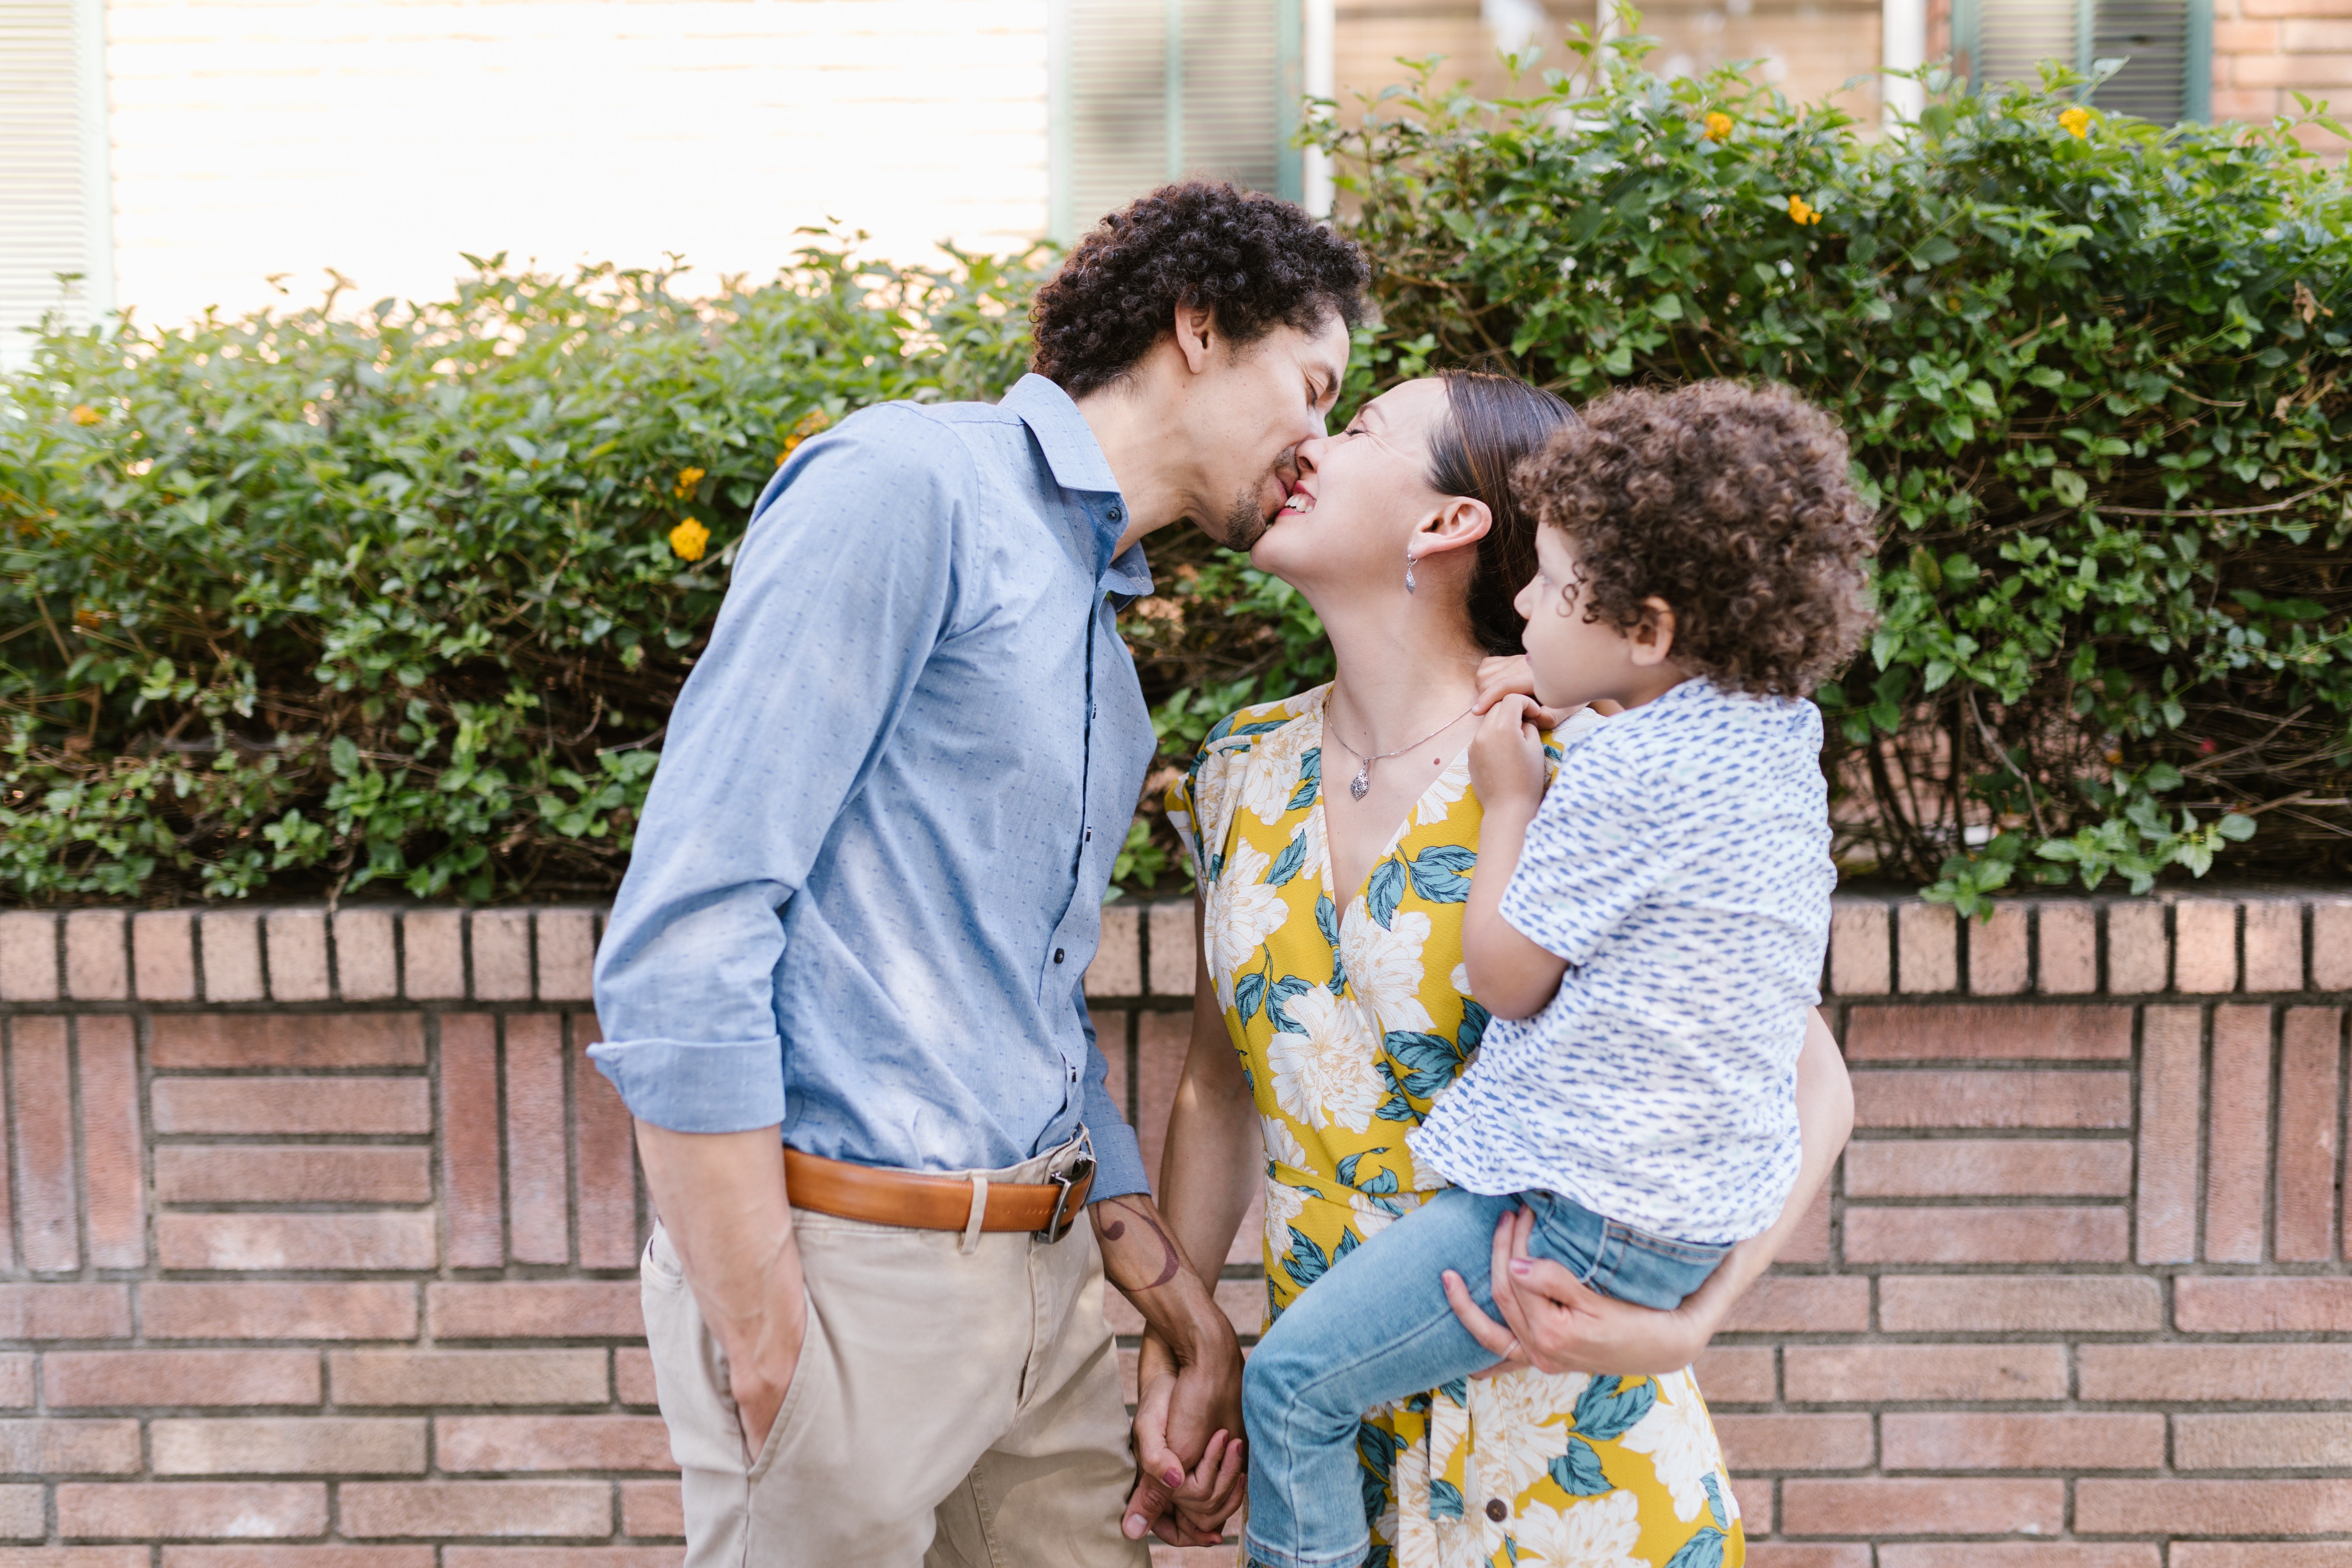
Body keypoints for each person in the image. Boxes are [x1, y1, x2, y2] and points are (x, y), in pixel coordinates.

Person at [586, 181, 1368, 1567]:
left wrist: (1165, 1288)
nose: (1319, 444)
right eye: (1312, 384)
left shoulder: (1104, 661)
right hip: (850, 1279)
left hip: (1047, 1288)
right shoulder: (907, 488)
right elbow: (691, 918)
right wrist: (765, 1329)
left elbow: (1025, 995)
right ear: (1200, 326)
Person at [1153, 371, 1858, 1567]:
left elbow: (1810, 1086)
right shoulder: (1240, 768)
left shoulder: (1600, 763)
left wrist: (1689, 1326)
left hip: (1569, 1462)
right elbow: (1218, 1092)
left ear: (1446, 522)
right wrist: (1190, 1355)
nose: (1312, 438)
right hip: (1332, 1441)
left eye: (1363, 425)